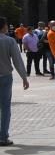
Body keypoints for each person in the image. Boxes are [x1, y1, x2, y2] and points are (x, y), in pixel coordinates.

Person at [0, 17, 29, 146]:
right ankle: (3, 137)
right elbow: (17, 60)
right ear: (4, 26)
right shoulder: (9, 41)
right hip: (5, 77)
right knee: (5, 107)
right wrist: (24, 77)